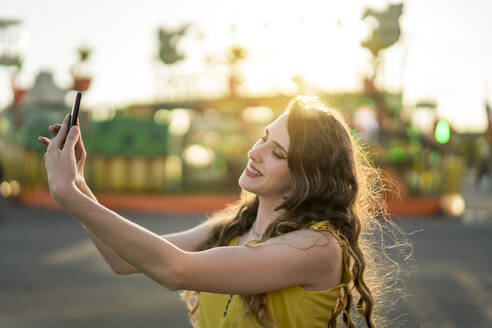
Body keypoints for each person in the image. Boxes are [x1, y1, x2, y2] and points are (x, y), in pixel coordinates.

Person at [38, 96, 394, 327]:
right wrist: (80, 184)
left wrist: (67, 194)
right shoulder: (231, 228)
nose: (255, 153)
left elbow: (174, 269)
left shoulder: (317, 248)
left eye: (278, 154)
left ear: (309, 176)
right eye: (262, 138)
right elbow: (123, 260)